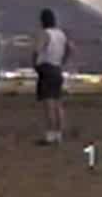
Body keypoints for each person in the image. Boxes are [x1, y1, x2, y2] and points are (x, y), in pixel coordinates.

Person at [32, 8, 75, 145]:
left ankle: (50, 135)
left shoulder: (45, 34)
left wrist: (35, 63)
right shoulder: (61, 34)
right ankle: (59, 134)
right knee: (58, 103)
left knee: (48, 103)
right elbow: (71, 48)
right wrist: (63, 61)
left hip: (46, 68)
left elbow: (37, 50)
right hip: (57, 68)